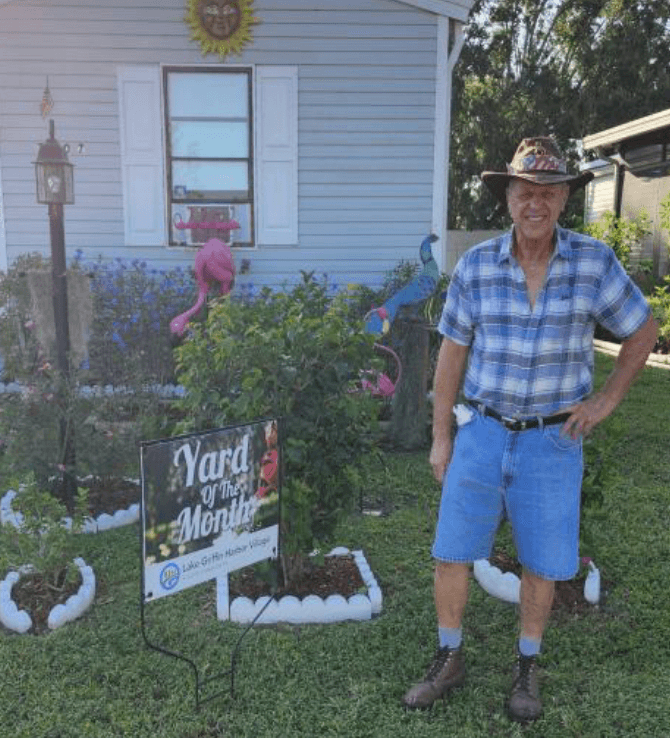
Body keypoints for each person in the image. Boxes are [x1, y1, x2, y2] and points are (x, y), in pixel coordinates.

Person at [402, 137, 658, 722]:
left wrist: (606, 399)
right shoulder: (475, 267)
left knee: (542, 563)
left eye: (546, 191)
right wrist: (442, 435)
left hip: (552, 440)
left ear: (564, 197)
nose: (534, 202)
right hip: (483, 432)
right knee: (451, 552)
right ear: (508, 198)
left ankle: (527, 665)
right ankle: (449, 656)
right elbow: (451, 356)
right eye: (523, 191)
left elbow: (643, 331)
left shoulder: (594, 264)